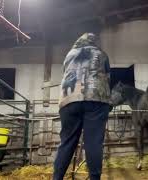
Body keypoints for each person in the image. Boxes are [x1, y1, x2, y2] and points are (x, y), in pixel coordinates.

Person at [53, 33, 111, 180]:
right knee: (93, 142)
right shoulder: (101, 54)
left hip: (69, 99)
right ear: (94, 42)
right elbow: (108, 78)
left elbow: (65, 74)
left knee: (66, 141)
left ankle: (57, 178)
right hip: (96, 99)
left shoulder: (69, 54)